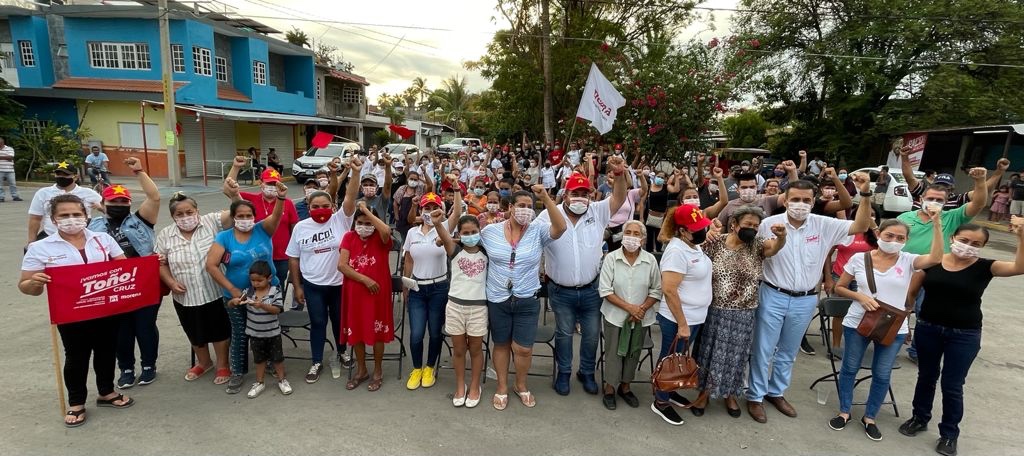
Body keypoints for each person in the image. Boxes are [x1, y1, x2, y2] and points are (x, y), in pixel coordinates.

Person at [745, 174, 874, 424]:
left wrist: (866, 195)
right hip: (773, 293)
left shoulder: (823, 224)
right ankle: (755, 395)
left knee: (789, 350)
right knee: (763, 349)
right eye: (795, 199)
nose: (800, 204)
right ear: (785, 200)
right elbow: (758, 253)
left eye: (806, 199)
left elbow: (860, 226)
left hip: (806, 298)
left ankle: (776, 391)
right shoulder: (768, 223)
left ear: (813, 201)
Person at [899, 222, 1024, 456]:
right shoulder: (933, 262)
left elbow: (1020, 267)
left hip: (964, 334)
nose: (968, 247)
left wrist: (1021, 236)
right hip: (928, 328)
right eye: (964, 240)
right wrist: (905, 321)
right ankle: (919, 417)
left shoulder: (987, 267)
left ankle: (949, 434)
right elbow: (912, 294)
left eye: (976, 244)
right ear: (953, 238)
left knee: (953, 384)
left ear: (983, 247)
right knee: (926, 376)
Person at [19, 194, 134, 427]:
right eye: (64, 215)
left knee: (106, 351)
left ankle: (106, 392)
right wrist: (34, 283)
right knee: (76, 356)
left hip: (105, 308)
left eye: (76, 214)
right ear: (53, 219)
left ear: (86, 216)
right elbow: (26, 286)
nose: (71, 219)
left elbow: (125, 268)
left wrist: (150, 265)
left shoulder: (103, 240)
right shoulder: (39, 248)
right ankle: (76, 402)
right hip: (71, 314)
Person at [829, 215, 943, 441]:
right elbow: (839, 288)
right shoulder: (859, 259)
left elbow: (936, 258)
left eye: (900, 238)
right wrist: (859, 296)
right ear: (879, 234)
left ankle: (870, 417)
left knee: (882, 374)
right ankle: (844, 411)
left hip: (893, 327)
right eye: (889, 235)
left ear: (906, 240)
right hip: (857, 322)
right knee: (850, 368)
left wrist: (937, 225)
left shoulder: (909, 260)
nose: (894, 240)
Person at [536, 157, 627, 398]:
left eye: (584, 194)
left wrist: (619, 175)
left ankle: (586, 372)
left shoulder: (596, 212)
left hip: (591, 289)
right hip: (560, 290)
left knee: (590, 334)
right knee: (564, 334)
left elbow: (618, 198)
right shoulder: (548, 216)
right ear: (565, 195)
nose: (580, 198)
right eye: (575, 193)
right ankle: (564, 372)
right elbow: (531, 239)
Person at [480, 185, 566, 410]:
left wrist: (545, 197)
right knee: (501, 344)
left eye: (530, 207)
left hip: (527, 296)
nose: (526, 210)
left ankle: (521, 384)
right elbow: (469, 247)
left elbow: (561, 227)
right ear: (509, 208)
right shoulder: (490, 231)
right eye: (521, 206)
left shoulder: (538, 230)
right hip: (498, 297)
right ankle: (501, 386)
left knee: (524, 348)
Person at [694, 207, 785, 417]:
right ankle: (704, 393)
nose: (752, 229)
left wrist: (781, 238)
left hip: (744, 312)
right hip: (714, 309)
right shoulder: (715, 242)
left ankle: (730, 394)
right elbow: (695, 253)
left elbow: (775, 248)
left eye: (756, 226)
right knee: (709, 353)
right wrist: (706, 233)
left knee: (736, 357)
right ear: (734, 224)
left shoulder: (757, 245)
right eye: (748, 224)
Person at [898, 167, 988, 363]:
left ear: (946, 203)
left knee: (925, 311)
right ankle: (891, 340)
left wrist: (980, 181)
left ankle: (917, 350)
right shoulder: (905, 218)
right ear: (921, 199)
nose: (934, 203)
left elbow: (979, 202)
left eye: (939, 200)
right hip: (903, 270)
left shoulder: (951, 217)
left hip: (933, 273)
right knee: (897, 306)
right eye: (930, 198)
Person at [205, 182, 287, 394]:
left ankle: (269, 361)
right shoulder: (224, 237)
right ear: (233, 218)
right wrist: (231, 289)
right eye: (240, 216)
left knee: (266, 331)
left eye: (248, 215)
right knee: (240, 334)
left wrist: (280, 198)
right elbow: (211, 266)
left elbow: (277, 216)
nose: (244, 220)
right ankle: (238, 372)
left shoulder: (263, 230)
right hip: (237, 296)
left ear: (254, 216)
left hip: (268, 293)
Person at [87, 158, 162, 389]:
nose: (119, 204)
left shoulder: (141, 221)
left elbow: (154, 197)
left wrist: (139, 171)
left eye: (123, 201)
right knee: (121, 329)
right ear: (104, 203)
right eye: (114, 201)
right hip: (112, 285)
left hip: (144, 282)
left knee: (145, 326)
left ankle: (149, 365)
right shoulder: (92, 226)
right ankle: (126, 368)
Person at [287, 161, 357, 384]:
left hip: (338, 284)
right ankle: (316, 361)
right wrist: (297, 286)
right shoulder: (301, 227)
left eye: (324, 205)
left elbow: (351, 196)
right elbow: (293, 258)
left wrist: (355, 172)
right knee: (317, 323)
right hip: (313, 285)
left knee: (339, 321)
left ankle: (343, 352)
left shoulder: (340, 220)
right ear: (308, 208)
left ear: (332, 206)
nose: (320, 210)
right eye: (315, 207)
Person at [156, 192, 234, 385]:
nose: (185, 217)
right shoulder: (166, 234)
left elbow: (234, 212)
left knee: (219, 330)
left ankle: (223, 365)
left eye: (189, 212)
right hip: (185, 295)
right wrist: (171, 282)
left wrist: (233, 194)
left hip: (214, 290)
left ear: (197, 211)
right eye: (179, 214)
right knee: (194, 331)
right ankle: (204, 362)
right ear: (173, 217)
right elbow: (160, 263)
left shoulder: (210, 222)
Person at [650, 204, 714, 425]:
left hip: (695, 316)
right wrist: (682, 324)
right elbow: (669, 289)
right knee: (670, 361)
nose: (701, 231)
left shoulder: (693, 246)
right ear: (681, 230)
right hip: (678, 319)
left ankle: (670, 390)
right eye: (695, 228)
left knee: (679, 360)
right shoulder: (676, 251)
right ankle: (660, 401)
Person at [402, 183, 463, 390]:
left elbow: (458, 212)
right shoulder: (412, 233)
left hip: (439, 288)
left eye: (433, 208)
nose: (429, 212)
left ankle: (430, 367)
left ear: (440, 210)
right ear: (421, 210)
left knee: (435, 332)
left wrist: (455, 190)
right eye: (426, 208)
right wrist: (406, 284)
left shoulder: (444, 228)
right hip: (418, 288)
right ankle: (417, 368)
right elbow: (408, 260)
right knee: (417, 332)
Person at [598, 220, 662, 411]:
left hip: (641, 317)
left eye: (636, 233)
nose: (632, 237)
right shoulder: (611, 258)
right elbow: (605, 290)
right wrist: (630, 308)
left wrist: (640, 309)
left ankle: (625, 387)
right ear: (622, 236)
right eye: (628, 232)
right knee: (613, 353)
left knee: (633, 352)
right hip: (614, 316)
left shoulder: (650, 260)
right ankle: (610, 388)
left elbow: (656, 290)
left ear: (642, 239)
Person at [433, 214, 489, 408]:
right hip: (455, 307)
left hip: (478, 308)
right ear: (459, 234)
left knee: (475, 349)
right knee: (458, 349)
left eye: (474, 232)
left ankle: (474, 386)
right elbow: (443, 235)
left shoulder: (486, 252)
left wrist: (456, 237)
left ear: (480, 232)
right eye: (466, 233)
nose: (471, 236)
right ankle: (460, 386)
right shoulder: (455, 251)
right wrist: (437, 222)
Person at [338, 202, 394, 392]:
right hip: (355, 292)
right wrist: (364, 279)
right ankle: (361, 370)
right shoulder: (349, 237)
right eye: (360, 222)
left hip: (377, 294)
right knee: (357, 331)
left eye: (368, 222)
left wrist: (367, 211)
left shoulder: (381, 237)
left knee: (377, 332)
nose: (364, 226)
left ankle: (378, 371)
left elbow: (386, 229)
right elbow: (342, 266)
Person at [226, 160, 300, 292]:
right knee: (254, 289)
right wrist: (236, 167)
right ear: (261, 183)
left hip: (281, 257)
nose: (271, 187)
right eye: (268, 183)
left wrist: (295, 254)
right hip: (256, 255)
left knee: (277, 290)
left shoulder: (287, 203)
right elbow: (229, 189)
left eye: (274, 184)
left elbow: (294, 228)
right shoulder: (250, 200)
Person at [228, 261, 291, 398]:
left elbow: (277, 310)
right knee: (259, 360)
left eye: (259, 280)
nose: (256, 283)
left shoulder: (275, 291)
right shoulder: (248, 292)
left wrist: (262, 306)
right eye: (253, 280)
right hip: (255, 333)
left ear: (269, 278)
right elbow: (231, 304)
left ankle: (282, 380)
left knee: (277, 359)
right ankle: (259, 382)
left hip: (273, 332)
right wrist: (234, 302)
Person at [27, 160, 101, 244]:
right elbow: (35, 219)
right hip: (50, 237)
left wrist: (100, 207)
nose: (61, 177)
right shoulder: (43, 193)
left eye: (66, 175)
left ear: (75, 177)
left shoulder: (88, 193)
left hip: (81, 238)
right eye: (58, 174)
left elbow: (107, 208)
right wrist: (31, 242)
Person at [645, 170, 670, 252]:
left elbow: (676, 189)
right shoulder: (649, 187)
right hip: (649, 215)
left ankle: (658, 254)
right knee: (649, 237)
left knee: (659, 237)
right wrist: (641, 217)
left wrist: (676, 176)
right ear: (655, 177)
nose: (660, 178)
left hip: (661, 216)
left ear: (665, 179)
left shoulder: (666, 188)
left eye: (662, 177)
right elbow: (642, 202)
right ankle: (649, 253)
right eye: (658, 176)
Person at [0, 137, 21, 201]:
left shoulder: (9, 149)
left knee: (13, 184)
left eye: (0, 143)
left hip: (10, 170)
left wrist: (2, 157)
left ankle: (15, 196)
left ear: (3, 142)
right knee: (0, 185)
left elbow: (11, 157)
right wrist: (6, 157)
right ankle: (1, 197)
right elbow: (8, 157)